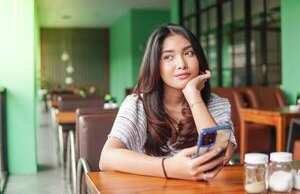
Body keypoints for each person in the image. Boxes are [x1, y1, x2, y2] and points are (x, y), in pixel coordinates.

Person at [99, 24, 236, 181]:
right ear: (156, 66)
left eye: (189, 53)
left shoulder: (217, 104)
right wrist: (169, 167)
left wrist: (194, 98)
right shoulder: (137, 104)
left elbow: (222, 154)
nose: (182, 64)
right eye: (168, 57)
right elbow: (107, 158)